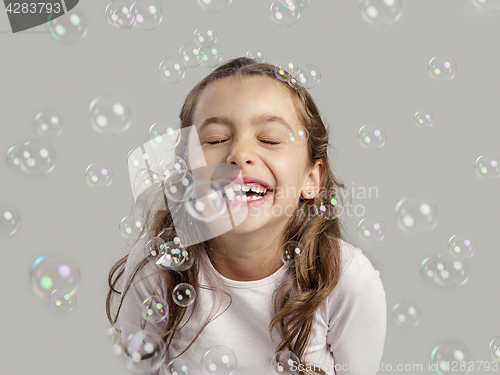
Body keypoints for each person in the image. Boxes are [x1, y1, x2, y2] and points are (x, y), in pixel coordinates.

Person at [106, 57, 387, 375]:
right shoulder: (157, 264)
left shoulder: (346, 278)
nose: (239, 155)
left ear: (311, 178)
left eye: (269, 140)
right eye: (215, 140)